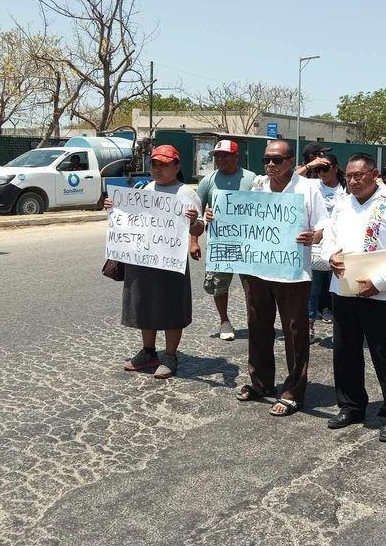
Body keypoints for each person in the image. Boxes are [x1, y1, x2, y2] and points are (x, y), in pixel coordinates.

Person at [225, 139, 328, 416]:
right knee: (258, 325)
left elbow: (324, 225)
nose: (270, 164)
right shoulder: (259, 188)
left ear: (291, 163)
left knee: (295, 331)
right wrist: (217, 216)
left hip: (293, 273)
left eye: (277, 160)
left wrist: (314, 236)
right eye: (266, 160)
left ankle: (293, 390)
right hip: (257, 270)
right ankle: (260, 383)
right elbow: (240, 219)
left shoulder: (308, 189)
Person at [320, 153, 386, 442]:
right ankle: (351, 405)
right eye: (348, 176)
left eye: (359, 175)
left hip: (378, 293)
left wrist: (380, 281)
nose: (352, 180)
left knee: (383, 354)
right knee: (345, 350)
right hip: (344, 289)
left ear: (374, 174)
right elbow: (328, 237)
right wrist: (330, 256)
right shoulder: (341, 205)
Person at [106, 145, 203, 379]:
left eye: (164, 164)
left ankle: (170, 355)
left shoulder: (186, 194)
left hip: (171, 261)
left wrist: (193, 225)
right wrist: (114, 208)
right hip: (144, 259)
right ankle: (148, 351)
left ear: (177, 166)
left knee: (171, 306)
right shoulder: (145, 189)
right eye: (154, 164)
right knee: (144, 304)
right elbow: (131, 220)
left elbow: (200, 227)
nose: (158, 169)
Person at [192, 139, 255, 340]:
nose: (220, 159)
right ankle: (224, 321)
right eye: (217, 156)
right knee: (219, 285)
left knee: (252, 287)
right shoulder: (207, 181)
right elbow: (196, 214)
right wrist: (194, 240)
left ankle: (254, 322)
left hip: (248, 243)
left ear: (236, 157)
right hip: (221, 243)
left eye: (224, 156)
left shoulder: (252, 179)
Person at [307, 152, 346, 340]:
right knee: (312, 291)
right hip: (314, 246)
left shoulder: (346, 188)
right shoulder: (313, 185)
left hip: (339, 247)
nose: (321, 172)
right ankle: (309, 327)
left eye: (325, 168)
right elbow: (290, 178)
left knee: (338, 290)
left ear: (336, 168)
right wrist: (310, 165)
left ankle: (339, 330)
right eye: (318, 169)